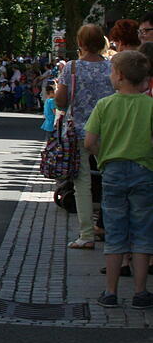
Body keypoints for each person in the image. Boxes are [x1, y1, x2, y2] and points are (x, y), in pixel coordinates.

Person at [83, 50, 153, 309]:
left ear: (120, 76)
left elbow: (89, 142)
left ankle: (110, 292)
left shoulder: (104, 105)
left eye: (112, 72)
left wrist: (106, 155)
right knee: (143, 232)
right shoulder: (150, 105)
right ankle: (140, 292)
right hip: (145, 171)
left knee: (115, 233)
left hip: (112, 172)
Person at [56, 24, 115, 251]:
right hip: (107, 132)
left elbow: (61, 101)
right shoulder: (112, 67)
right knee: (110, 180)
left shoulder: (71, 68)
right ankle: (110, 227)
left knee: (82, 183)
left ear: (80, 43)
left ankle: (86, 234)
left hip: (79, 132)